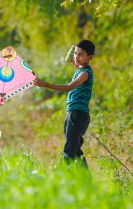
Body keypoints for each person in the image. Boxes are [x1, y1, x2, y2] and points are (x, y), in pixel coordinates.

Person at [33, 40, 95, 169]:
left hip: (78, 115)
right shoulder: (80, 70)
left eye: (81, 55)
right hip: (74, 113)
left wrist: (46, 85)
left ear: (90, 57)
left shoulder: (85, 73)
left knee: (69, 150)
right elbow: (77, 70)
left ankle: (62, 177)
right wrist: (75, 64)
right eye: (75, 54)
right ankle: (86, 181)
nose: (76, 57)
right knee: (76, 150)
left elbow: (69, 87)